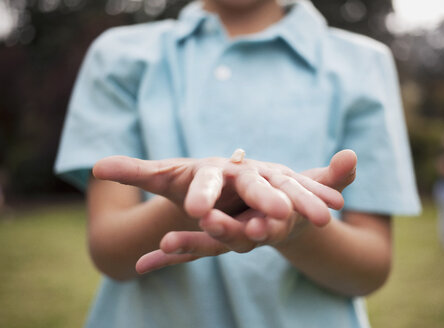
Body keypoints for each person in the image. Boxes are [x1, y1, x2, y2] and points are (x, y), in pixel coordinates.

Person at [55, 0, 421, 327]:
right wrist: (183, 209)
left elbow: (369, 269)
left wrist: (299, 231)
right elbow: (109, 250)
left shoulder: (363, 64)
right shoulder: (119, 55)